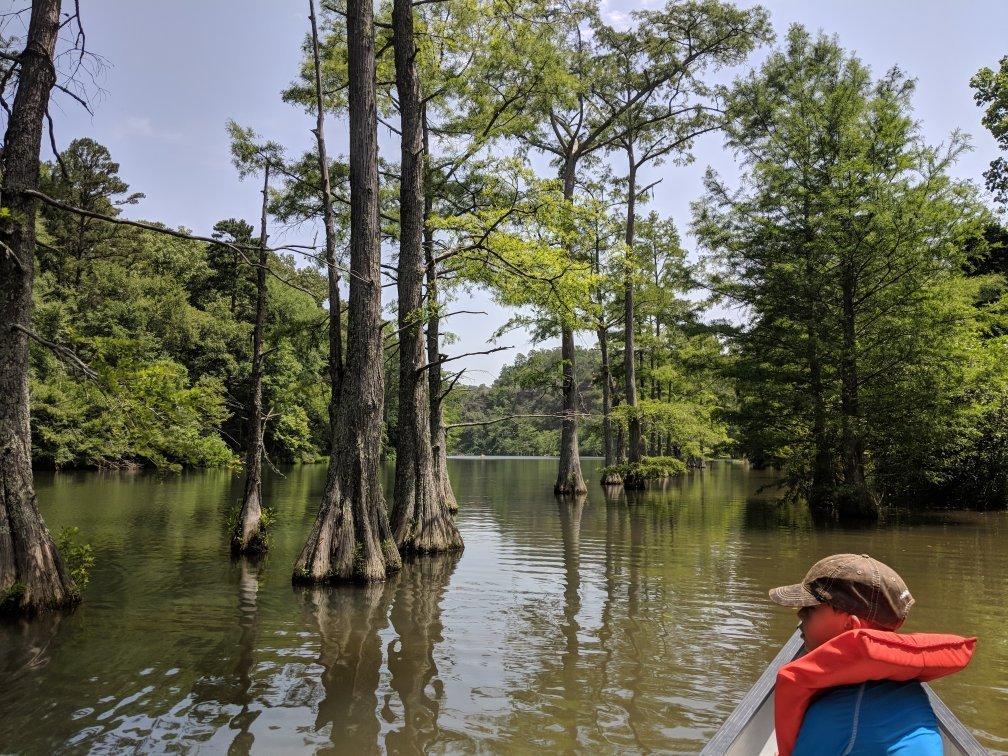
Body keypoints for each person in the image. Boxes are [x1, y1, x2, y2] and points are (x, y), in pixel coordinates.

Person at [768, 553, 976, 756]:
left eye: (809, 609)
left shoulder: (836, 715)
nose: (799, 614)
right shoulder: (900, 686)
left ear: (851, 627)